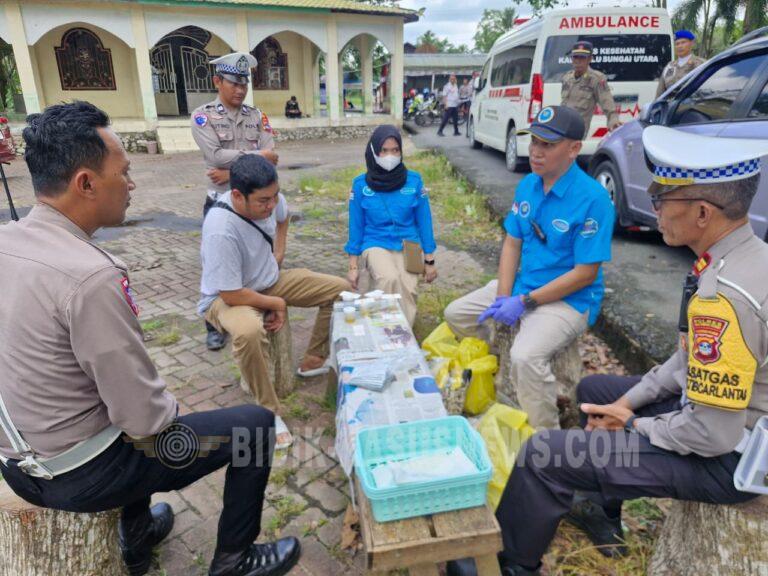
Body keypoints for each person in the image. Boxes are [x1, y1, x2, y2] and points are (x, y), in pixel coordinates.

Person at [0, 101, 300, 576]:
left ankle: (136, 541)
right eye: (125, 172)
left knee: (124, 418)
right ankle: (234, 559)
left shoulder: (7, 241)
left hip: (16, 464)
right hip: (80, 473)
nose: (133, 184)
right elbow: (144, 419)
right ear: (85, 183)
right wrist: (170, 409)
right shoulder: (90, 276)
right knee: (254, 427)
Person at [454, 126, 768, 576]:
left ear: (702, 212)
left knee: (542, 455)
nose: (654, 208)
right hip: (723, 417)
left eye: (663, 199)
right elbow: (686, 363)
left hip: (731, 459)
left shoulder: (725, 298)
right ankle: (602, 507)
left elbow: (711, 436)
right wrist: (624, 403)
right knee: (597, 390)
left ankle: (509, 565)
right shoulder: (738, 256)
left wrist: (635, 425)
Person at [443, 106, 614, 429]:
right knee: (456, 314)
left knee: (525, 357)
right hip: (523, 288)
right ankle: (497, 365)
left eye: (547, 145)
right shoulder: (529, 186)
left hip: (568, 300)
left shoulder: (593, 199)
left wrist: (523, 303)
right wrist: (503, 298)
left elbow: (585, 274)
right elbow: (512, 242)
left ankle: (547, 440)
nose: (535, 152)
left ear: (574, 148)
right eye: (534, 141)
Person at [200, 154, 349, 450]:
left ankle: (313, 360)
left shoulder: (269, 197)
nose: (271, 206)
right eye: (263, 201)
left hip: (269, 280)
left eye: (274, 197)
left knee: (341, 290)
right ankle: (267, 412)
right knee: (249, 331)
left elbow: (283, 216)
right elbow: (230, 293)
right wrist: (276, 304)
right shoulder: (220, 228)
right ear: (238, 195)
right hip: (227, 298)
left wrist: (279, 252)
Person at [191, 51, 279, 352]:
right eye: (233, 83)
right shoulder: (204, 116)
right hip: (220, 202)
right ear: (218, 81)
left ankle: (257, 308)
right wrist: (258, 156)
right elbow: (213, 155)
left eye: (244, 84)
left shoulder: (257, 117)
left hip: (253, 202)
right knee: (215, 265)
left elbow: (273, 156)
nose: (240, 90)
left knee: (257, 256)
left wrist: (228, 169)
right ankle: (214, 325)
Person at [345, 125, 438, 325]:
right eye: (384, 150)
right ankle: (383, 331)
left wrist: (429, 260)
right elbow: (356, 226)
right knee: (388, 279)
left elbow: (424, 221)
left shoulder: (414, 181)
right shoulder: (360, 185)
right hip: (375, 241)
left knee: (408, 288)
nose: (390, 156)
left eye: (395, 150)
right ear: (373, 151)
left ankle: (404, 336)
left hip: (409, 243)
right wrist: (353, 266)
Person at [561, 41, 621, 137]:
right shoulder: (567, 78)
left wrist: (613, 120)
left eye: (582, 57)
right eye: (575, 57)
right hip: (562, 127)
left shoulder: (596, 79)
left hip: (577, 130)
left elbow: (607, 101)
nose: (578, 61)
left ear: (589, 59)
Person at [656, 30, 706, 98]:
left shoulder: (701, 64)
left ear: (692, 43)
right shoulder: (669, 67)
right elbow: (660, 94)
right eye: (677, 43)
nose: (680, 46)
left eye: (683, 42)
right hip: (671, 107)